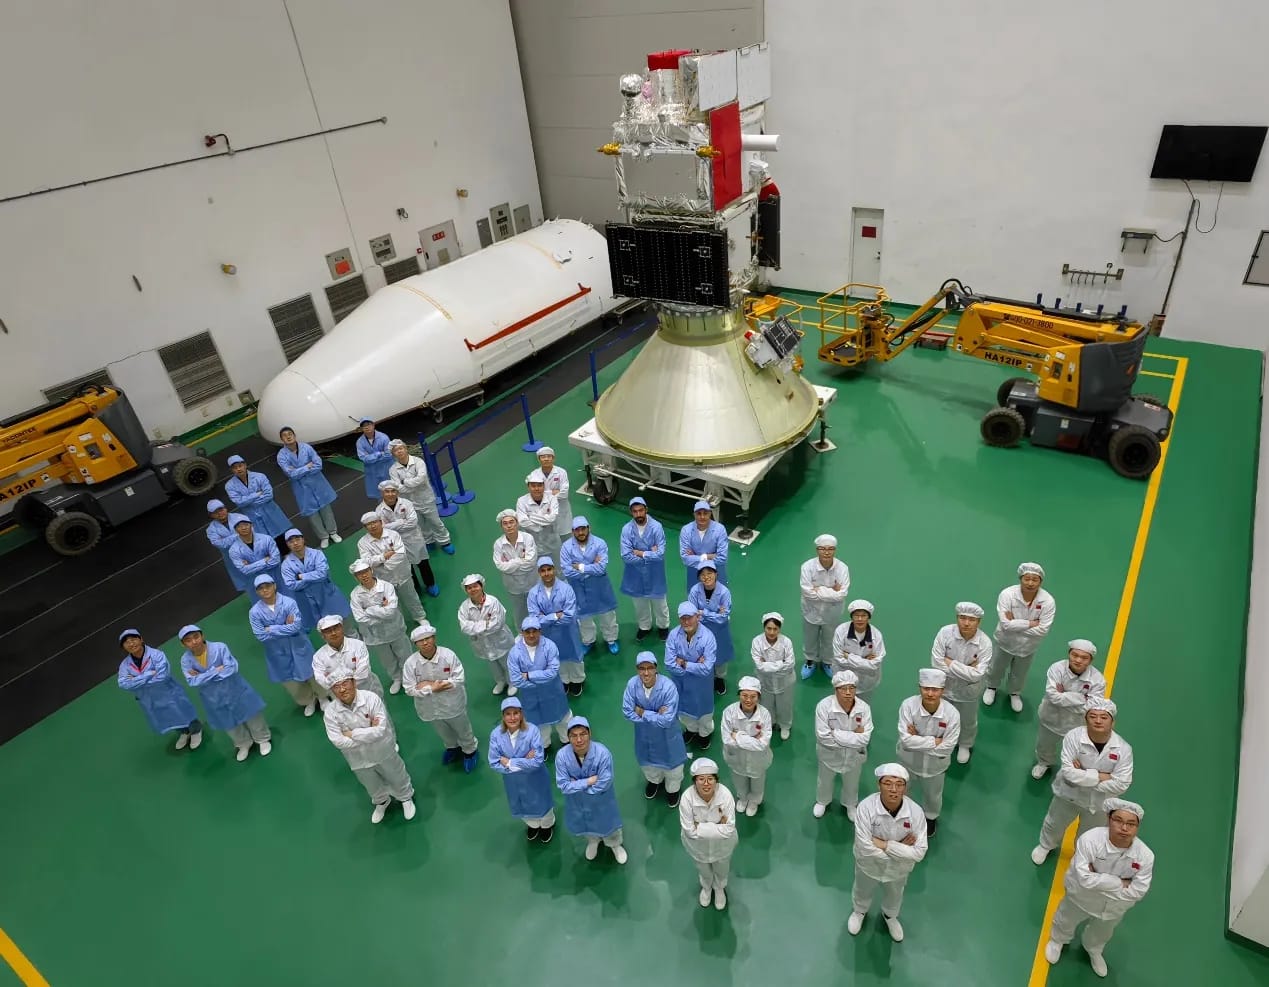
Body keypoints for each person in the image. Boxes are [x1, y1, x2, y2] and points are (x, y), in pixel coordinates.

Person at [1043, 799, 1153, 979]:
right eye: (1118, 820)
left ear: (1137, 827)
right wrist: (1120, 883)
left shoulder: (1145, 856)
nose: (1124, 828)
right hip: (1081, 898)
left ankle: (1093, 949)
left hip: (1114, 907)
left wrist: (1099, 879)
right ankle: (1058, 940)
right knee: (1066, 919)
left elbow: (1139, 890)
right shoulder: (1090, 840)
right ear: (1109, 819)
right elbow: (1084, 879)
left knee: (1102, 932)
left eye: (1131, 824)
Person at [1031, 697, 1134, 865]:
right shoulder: (1073, 738)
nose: (1098, 720)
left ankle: (1081, 856)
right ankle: (1045, 845)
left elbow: (1122, 784)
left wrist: (1084, 773)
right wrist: (1101, 775)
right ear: (1085, 719)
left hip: (1100, 803)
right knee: (1054, 823)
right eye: (1093, 716)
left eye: (1104, 717)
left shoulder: (1123, 749)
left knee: (1090, 834)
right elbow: (1069, 773)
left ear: (1112, 722)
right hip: (1068, 794)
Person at [846, 764, 929, 943]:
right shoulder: (866, 808)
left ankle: (890, 916)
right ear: (879, 785)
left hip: (898, 870)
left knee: (895, 893)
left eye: (899, 784)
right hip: (868, 866)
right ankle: (859, 911)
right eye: (888, 783)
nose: (894, 789)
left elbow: (920, 852)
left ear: (905, 788)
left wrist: (885, 845)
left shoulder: (916, 813)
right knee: (862, 889)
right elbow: (865, 848)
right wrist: (902, 848)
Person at [323, 667, 416, 824]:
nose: (342, 689)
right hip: (358, 759)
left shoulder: (371, 699)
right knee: (370, 782)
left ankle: (406, 797)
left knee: (395, 773)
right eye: (336, 686)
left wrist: (352, 734)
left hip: (382, 751)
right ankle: (381, 801)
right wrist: (368, 731)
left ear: (354, 682)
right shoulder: (331, 712)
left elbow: (380, 730)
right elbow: (337, 740)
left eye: (345, 683)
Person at [178, 624, 271, 761]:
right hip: (213, 698)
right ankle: (243, 744)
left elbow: (231, 668)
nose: (194, 642)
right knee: (228, 722)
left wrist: (203, 676)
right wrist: (216, 670)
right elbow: (193, 682)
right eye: (188, 640)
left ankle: (262, 739)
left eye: (196, 636)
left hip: (235, 690)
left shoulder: (219, 648)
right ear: (183, 644)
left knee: (251, 715)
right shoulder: (185, 661)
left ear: (202, 635)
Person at [401, 624, 480, 771]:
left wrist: (427, 685)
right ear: (415, 644)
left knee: (462, 728)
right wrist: (434, 688)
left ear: (434, 638)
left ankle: (470, 750)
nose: (425, 643)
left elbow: (459, 679)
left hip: (452, 704)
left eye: (428, 638)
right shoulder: (410, 664)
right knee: (442, 730)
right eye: (420, 641)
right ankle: (452, 748)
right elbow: (409, 689)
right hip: (429, 708)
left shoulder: (448, 656)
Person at [248, 574, 325, 716]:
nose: (265, 590)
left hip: (298, 644)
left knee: (312, 672)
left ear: (274, 585)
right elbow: (260, 635)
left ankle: (323, 696)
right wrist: (284, 626)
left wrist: (271, 628)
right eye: (261, 588)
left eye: (267, 586)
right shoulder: (254, 613)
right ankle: (308, 700)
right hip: (277, 651)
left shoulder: (289, 602)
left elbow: (295, 627)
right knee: (291, 680)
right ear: (257, 592)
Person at [895, 668, 960, 837]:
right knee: (901, 789)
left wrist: (917, 738)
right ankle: (898, 812)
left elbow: (948, 747)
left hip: (935, 768)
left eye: (935, 690)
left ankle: (930, 817)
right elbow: (905, 740)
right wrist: (934, 741)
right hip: (908, 762)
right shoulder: (908, 706)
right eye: (926, 689)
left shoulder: (952, 715)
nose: (930, 694)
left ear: (942, 690)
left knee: (933, 795)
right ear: (919, 688)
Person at [985, 561, 1057, 712]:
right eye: (1027, 578)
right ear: (1020, 579)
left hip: (1028, 647)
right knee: (996, 667)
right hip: (1005, 642)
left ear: (1040, 581)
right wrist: (1031, 623)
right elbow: (1005, 625)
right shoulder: (1007, 595)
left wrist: (1015, 624)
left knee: (1020, 673)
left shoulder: (1048, 601)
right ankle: (991, 686)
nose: (1030, 583)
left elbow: (1043, 629)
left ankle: (1015, 693)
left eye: (1035, 579)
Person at [555, 716, 626, 864]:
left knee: (609, 826)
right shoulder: (562, 757)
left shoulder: (602, 754)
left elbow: (604, 782)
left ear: (590, 734)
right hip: (578, 805)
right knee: (587, 826)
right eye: (574, 736)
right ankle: (593, 841)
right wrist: (589, 781)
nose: (579, 739)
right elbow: (563, 785)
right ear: (568, 737)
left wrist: (576, 786)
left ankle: (615, 845)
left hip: (602, 802)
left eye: (582, 734)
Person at [1032, 639, 1107, 779]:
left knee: (1076, 751)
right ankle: (1044, 762)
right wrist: (1082, 698)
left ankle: (1071, 771)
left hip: (1076, 724)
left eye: (1084, 657)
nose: (1078, 660)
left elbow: (1091, 707)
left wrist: (1064, 695)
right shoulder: (1056, 669)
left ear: (1091, 660)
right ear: (1069, 654)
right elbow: (1053, 697)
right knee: (1044, 744)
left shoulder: (1098, 680)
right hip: (1050, 718)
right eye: (1075, 655)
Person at [621, 652, 688, 808]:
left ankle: (673, 790)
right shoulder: (632, 684)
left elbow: (667, 720)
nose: (646, 672)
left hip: (667, 738)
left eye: (650, 668)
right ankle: (654, 781)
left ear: (656, 669)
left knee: (673, 770)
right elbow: (626, 712)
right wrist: (655, 715)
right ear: (637, 669)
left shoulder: (668, 688)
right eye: (641, 668)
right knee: (648, 765)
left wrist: (642, 712)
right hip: (644, 738)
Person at [116, 629, 202, 750]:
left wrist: (135, 680)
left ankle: (196, 731)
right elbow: (123, 684)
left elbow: (162, 677)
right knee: (169, 716)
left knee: (183, 711)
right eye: (126, 642)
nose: (131, 644)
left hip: (169, 693)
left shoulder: (156, 655)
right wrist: (149, 674)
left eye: (133, 639)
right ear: (123, 647)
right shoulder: (124, 665)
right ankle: (184, 732)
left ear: (141, 639)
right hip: (150, 699)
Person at [930, 601, 993, 764]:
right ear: (957, 618)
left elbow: (977, 675)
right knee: (941, 716)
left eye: (971, 620)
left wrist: (950, 662)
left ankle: (965, 744)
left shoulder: (985, 643)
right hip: (943, 688)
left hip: (968, 692)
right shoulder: (945, 633)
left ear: (978, 622)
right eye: (962, 618)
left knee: (967, 720)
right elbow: (936, 662)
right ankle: (943, 740)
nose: (966, 623)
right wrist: (966, 670)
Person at [488, 697, 556, 843]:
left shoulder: (532, 731)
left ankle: (546, 825)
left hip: (535, 779)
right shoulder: (496, 735)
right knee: (522, 805)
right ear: (503, 716)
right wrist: (525, 760)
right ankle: (533, 825)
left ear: (521, 714)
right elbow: (494, 762)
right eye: (508, 714)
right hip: (513, 782)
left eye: (516, 713)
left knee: (542, 804)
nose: (512, 717)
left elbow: (537, 760)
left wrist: (510, 762)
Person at [814, 669, 874, 820]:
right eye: (843, 688)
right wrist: (854, 736)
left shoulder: (864, 708)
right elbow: (823, 737)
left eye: (852, 688)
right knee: (824, 780)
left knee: (852, 782)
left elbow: (865, 738)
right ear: (836, 690)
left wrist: (836, 734)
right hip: (829, 755)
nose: (848, 692)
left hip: (854, 756)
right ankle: (823, 801)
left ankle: (850, 804)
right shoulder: (823, 707)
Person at [507, 617, 573, 755]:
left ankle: (567, 741)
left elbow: (552, 673)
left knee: (563, 719)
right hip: (531, 698)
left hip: (553, 693)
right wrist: (541, 679)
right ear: (522, 632)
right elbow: (517, 680)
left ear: (540, 631)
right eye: (527, 632)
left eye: (534, 631)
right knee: (538, 724)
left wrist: (530, 676)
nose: (531, 635)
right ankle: (544, 746)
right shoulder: (514, 653)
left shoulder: (549, 646)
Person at [679, 757, 738, 910]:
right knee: (703, 869)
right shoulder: (687, 799)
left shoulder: (725, 795)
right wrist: (718, 826)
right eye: (701, 779)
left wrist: (701, 827)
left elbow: (729, 829)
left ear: (716, 780)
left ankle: (719, 888)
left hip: (722, 846)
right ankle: (707, 887)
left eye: (710, 779)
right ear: (694, 781)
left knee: (722, 868)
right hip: (698, 847)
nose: (706, 783)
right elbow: (689, 831)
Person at [348, 559, 413, 694]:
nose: (364, 575)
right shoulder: (355, 595)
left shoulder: (386, 587)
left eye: (366, 571)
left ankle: (410, 676)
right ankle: (397, 678)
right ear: (356, 577)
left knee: (404, 653)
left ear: (371, 570)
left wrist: (370, 610)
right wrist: (380, 611)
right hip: (374, 636)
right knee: (387, 660)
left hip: (395, 629)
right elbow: (360, 618)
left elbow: (391, 611)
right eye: (359, 573)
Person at [559, 516, 620, 657]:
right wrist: (592, 566)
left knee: (607, 616)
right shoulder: (566, 547)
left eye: (583, 529)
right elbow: (567, 572)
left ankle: (611, 639)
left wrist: (580, 567)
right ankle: (588, 641)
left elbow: (602, 568)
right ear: (573, 531)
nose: (581, 532)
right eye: (577, 530)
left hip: (600, 587)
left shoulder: (599, 543)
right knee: (583, 618)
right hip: (578, 589)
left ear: (589, 528)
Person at [527, 556, 586, 697]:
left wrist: (545, 617)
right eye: (543, 570)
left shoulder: (566, 589)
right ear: (539, 573)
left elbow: (569, 615)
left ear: (554, 570)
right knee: (555, 657)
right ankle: (564, 680)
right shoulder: (533, 593)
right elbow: (534, 619)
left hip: (568, 631)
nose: (547, 573)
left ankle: (578, 679)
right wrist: (555, 616)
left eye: (549, 569)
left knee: (573, 655)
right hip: (548, 635)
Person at [357, 512, 428, 625]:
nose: (373, 526)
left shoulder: (393, 535)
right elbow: (367, 561)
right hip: (384, 580)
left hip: (402, 574)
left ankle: (420, 617)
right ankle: (399, 623)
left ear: (381, 522)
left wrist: (383, 564)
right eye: (369, 524)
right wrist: (383, 556)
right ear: (365, 527)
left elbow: (400, 553)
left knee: (411, 597)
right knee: (390, 603)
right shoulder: (363, 543)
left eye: (374, 522)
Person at [665, 601, 718, 750]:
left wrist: (684, 664)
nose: (686, 622)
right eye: (683, 618)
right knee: (685, 712)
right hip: (681, 684)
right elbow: (669, 664)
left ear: (697, 617)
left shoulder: (708, 638)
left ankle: (704, 734)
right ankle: (691, 730)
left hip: (702, 686)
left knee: (704, 714)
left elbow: (707, 668)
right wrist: (696, 664)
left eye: (690, 617)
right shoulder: (673, 636)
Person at [275, 426, 340, 547]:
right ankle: (323, 536)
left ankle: (333, 532)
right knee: (312, 513)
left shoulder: (306, 447)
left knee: (326, 509)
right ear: (281, 439)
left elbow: (318, 464)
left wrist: (299, 470)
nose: (288, 436)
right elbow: (291, 474)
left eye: (290, 434)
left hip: (317, 483)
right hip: (301, 489)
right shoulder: (281, 456)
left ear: (294, 435)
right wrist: (307, 467)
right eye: (285, 435)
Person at [387, 438, 453, 553]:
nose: (399, 451)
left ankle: (445, 541)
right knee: (420, 524)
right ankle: (429, 541)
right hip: (410, 502)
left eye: (401, 448)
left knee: (435, 521)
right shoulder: (393, 470)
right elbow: (397, 487)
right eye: (396, 450)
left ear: (406, 449)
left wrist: (405, 482)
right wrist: (409, 484)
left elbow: (421, 479)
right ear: (393, 454)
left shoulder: (418, 462)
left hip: (426, 498)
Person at [376, 479, 439, 598]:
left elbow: (413, 522)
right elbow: (383, 530)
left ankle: (430, 584)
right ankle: (416, 589)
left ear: (397, 492)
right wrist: (401, 521)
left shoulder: (407, 503)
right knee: (407, 568)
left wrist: (393, 525)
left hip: (413, 539)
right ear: (382, 494)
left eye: (393, 491)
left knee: (423, 562)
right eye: (387, 491)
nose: (390, 494)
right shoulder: (379, 511)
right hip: (395, 544)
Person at [281, 528, 352, 633]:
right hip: (309, 602)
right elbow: (291, 585)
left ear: (303, 539)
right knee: (326, 631)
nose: (295, 543)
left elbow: (322, 574)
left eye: (297, 539)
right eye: (291, 541)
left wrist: (301, 577)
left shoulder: (317, 554)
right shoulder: (286, 565)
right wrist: (314, 577)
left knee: (346, 628)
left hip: (328, 595)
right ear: (287, 544)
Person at [721, 676, 773, 817]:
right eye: (744, 695)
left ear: (759, 697)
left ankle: (754, 801)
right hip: (736, 758)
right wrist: (752, 741)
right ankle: (743, 798)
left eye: (753, 696)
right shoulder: (729, 713)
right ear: (739, 695)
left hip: (758, 760)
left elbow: (763, 744)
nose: (748, 700)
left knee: (757, 781)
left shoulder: (765, 715)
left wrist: (737, 736)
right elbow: (726, 739)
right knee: (739, 779)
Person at [457, 573, 517, 695]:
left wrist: (476, 626)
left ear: (482, 586)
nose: (473, 589)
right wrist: (485, 624)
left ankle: (512, 682)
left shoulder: (493, 602)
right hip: (482, 643)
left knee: (506, 662)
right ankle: (500, 681)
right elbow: (464, 627)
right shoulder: (464, 608)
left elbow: (497, 624)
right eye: (469, 587)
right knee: (492, 664)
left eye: (475, 586)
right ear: (465, 590)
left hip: (500, 639)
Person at [619, 496, 670, 641]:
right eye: (635, 511)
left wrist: (640, 553)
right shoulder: (626, 530)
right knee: (639, 604)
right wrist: (650, 554)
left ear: (646, 510)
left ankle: (663, 626)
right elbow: (626, 556)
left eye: (641, 510)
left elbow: (660, 554)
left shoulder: (657, 527)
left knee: (659, 602)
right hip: (635, 574)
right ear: (631, 512)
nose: (638, 514)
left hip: (655, 573)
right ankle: (644, 626)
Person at [799, 534, 849, 679]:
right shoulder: (807, 567)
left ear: (835, 550)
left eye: (830, 549)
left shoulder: (842, 568)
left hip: (832, 612)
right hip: (811, 610)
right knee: (810, 637)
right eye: (822, 549)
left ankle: (827, 662)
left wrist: (818, 589)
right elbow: (807, 592)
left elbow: (842, 594)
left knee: (830, 638)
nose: (826, 552)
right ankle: (810, 660)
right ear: (817, 550)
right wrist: (833, 590)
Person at [688, 560, 734, 696]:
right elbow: (692, 613)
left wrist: (704, 613)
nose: (706, 577)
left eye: (709, 573)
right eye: (702, 574)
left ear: (716, 574)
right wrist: (714, 613)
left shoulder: (724, 592)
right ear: (698, 577)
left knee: (720, 656)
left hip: (720, 631)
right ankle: (705, 678)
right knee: (702, 655)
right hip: (700, 631)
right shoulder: (695, 591)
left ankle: (720, 679)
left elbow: (723, 617)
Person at [224, 454, 291, 542]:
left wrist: (248, 501)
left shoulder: (260, 476)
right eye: (235, 468)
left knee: (284, 540)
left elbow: (268, 495)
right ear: (232, 470)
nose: (238, 469)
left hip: (270, 513)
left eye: (240, 466)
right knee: (265, 543)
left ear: (245, 465)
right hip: (253, 518)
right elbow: (239, 502)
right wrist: (256, 494)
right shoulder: (230, 486)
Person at [313, 614, 383, 697]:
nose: (333, 633)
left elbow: (363, 672)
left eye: (336, 628)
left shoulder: (358, 645)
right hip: (341, 697)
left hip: (367, 690)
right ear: (323, 636)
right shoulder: (318, 657)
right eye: (328, 631)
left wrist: (335, 680)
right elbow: (321, 680)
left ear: (342, 629)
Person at [751, 611, 796, 740]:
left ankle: (785, 725)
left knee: (785, 705)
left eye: (775, 629)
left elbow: (790, 664)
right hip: (765, 682)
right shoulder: (757, 642)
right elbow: (759, 666)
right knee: (766, 704)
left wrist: (768, 665)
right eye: (768, 628)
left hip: (785, 682)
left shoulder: (786, 642)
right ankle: (769, 723)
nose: (771, 632)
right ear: (764, 628)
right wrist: (781, 663)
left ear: (779, 629)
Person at [492, 509, 539, 628]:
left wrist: (511, 564)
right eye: (505, 523)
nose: (509, 526)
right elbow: (500, 566)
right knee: (519, 611)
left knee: (537, 606)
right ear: (501, 527)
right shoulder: (498, 544)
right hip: (513, 586)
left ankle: (539, 627)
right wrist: (520, 561)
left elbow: (531, 562)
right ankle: (521, 631)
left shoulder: (528, 538)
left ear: (517, 523)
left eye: (511, 522)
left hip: (532, 582)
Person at [831, 600, 885, 700]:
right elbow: (839, 658)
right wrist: (865, 661)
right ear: (851, 617)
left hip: (866, 680)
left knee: (863, 705)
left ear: (869, 617)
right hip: (844, 676)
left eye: (864, 615)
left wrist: (849, 656)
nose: (860, 619)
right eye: (856, 615)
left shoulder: (876, 635)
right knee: (842, 702)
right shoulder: (841, 631)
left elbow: (875, 664)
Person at [679, 500, 728, 594]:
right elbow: (685, 558)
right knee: (695, 603)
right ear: (694, 514)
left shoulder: (720, 529)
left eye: (705, 513)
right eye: (699, 513)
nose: (702, 517)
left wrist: (697, 557)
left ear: (710, 513)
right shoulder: (686, 530)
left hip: (716, 575)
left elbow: (722, 558)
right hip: (695, 575)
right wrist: (709, 556)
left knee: (718, 603)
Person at [205, 499, 253, 592]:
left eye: (221, 509)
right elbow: (220, 544)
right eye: (215, 512)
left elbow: (250, 532)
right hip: (233, 559)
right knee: (248, 584)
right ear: (211, 515)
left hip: (250, 551)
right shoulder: (211, 530)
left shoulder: (239, 517)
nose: (220, 513)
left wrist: (226, 539)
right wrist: (238, 534)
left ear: (225, 508)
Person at [227, 514, 283, 589]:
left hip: (276, 576)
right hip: (256, 582)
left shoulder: (266, 539)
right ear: (235, 529)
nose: (243, 528)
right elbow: (244, 570)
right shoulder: (233, 550)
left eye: (246, 524)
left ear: (251, 525)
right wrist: (264, 561)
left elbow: (276, 560)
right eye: (239, 526)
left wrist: (251, 565)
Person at [516, 469, 561, 563]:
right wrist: (541, 524)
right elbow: (523, 522)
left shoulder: (552, 498)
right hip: (532, 543)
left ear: (544, 486)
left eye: (539, 485)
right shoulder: (521, 501)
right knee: (537, 570)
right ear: (528, 487)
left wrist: (531, 517)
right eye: (533, 486)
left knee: (558, 566)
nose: (536, 488)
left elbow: (552, 518)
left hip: (552, 541)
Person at [535, 445, 573, 540]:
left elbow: (564, 494)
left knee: (566, 537)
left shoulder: (561, 472)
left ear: (553, 458)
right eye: (543, 457)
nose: (546, 459)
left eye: (549, 456)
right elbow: (536, 494)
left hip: (561, 510)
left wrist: (544, 493)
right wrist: (553, 492)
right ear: (539, 459)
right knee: (548, 538)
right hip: (545, 511)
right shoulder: (534, 475)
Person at [355, 418, 393, 499]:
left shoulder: (384, 437)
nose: (366, 427)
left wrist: (371, 457)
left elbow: (389, 454)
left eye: (368, 424)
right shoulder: (360, 442)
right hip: (373, 472)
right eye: (364, 426)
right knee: (380, 495)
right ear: (361, 429)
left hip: (386, 469)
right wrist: (379, 454)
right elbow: (363, 458)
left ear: (373, 425)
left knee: (393, 491)